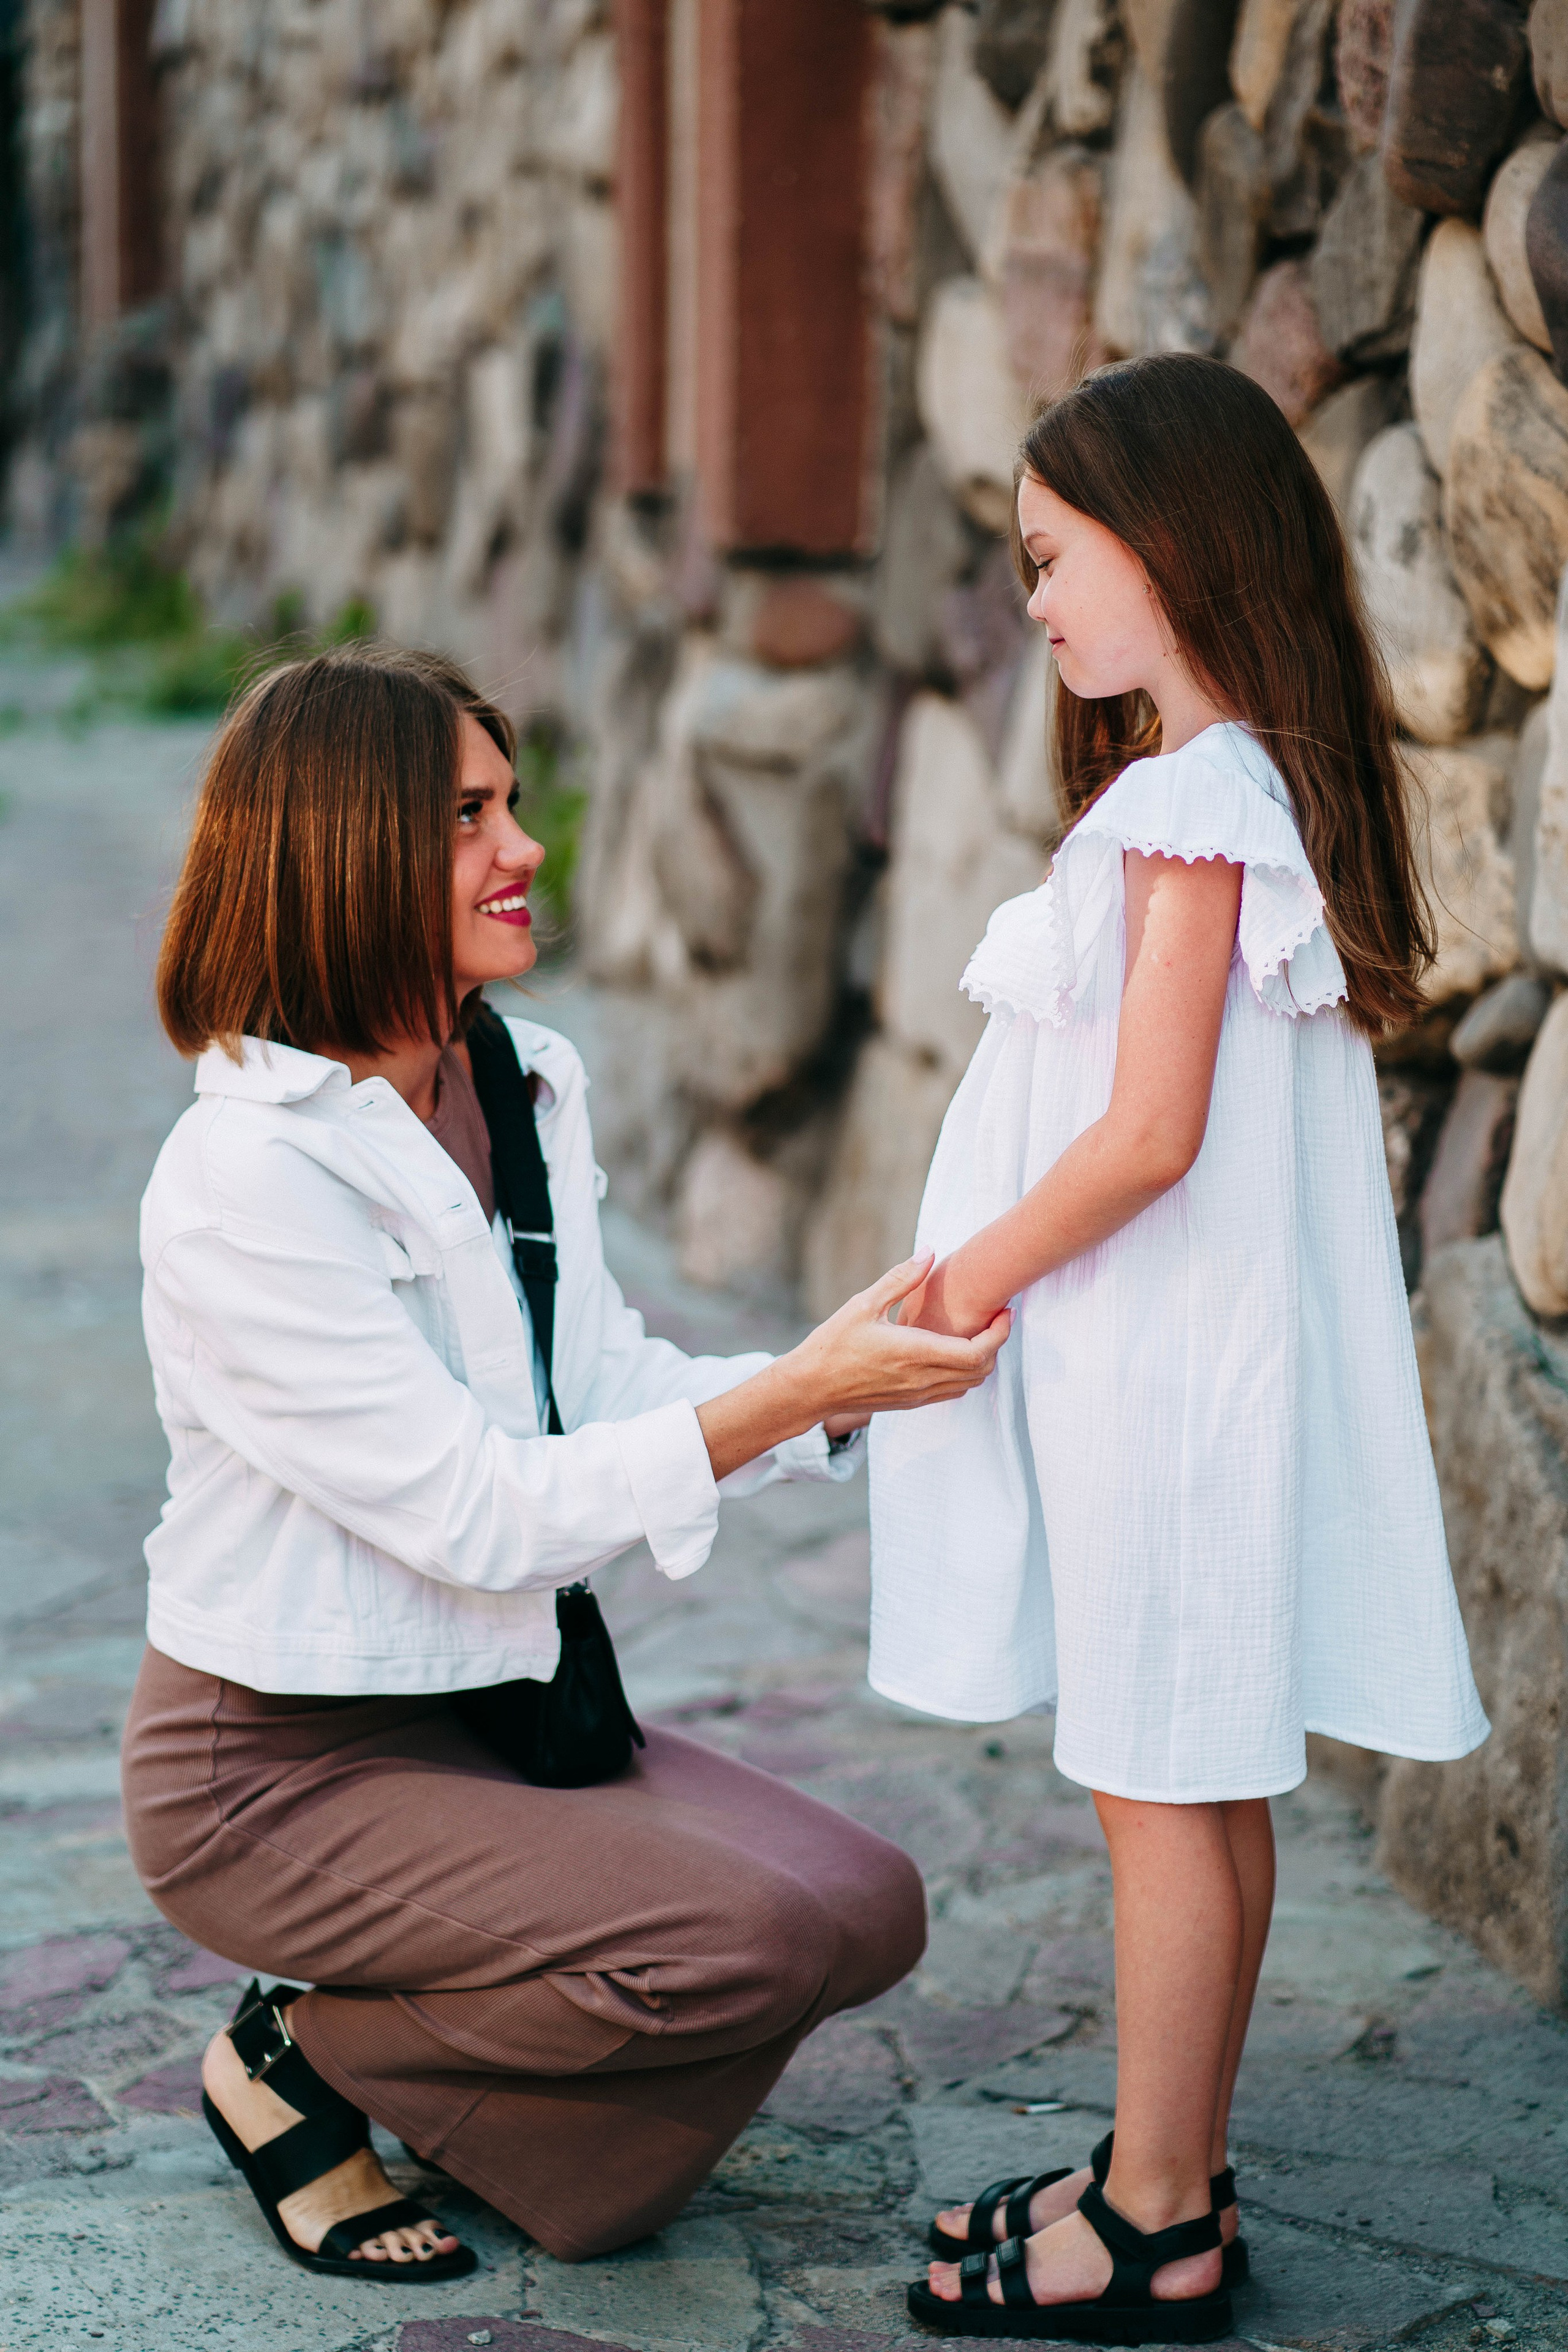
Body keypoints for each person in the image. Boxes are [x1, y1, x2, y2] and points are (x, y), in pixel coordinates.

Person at [121, 646, 1010, 2283]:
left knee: (867, 1908)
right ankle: (298, 2061)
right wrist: (793, 1389)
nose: (525, 846)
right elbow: (477, 1512)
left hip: (493, 1708)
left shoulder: (513, 1080)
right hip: (273, 1771)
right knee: (734, 1945)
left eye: (512, 803)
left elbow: (591, 1383)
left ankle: (489, 2121)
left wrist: (840, 1384)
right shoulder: (245, 1175)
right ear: (344, 848)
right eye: (467, 815)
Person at [869, 355, 1488, 2345]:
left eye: (1058, 558)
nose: (1037, 601)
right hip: (1190, 1370)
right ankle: (1176, 2165)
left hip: (1166, 1379)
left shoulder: (1192, 801)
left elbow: (1146, 1133)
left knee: (1162, 1783)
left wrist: (957, 1289)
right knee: (1199, 1778)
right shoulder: (1240, 789)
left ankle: (1151, 2220)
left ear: (1177, 540)